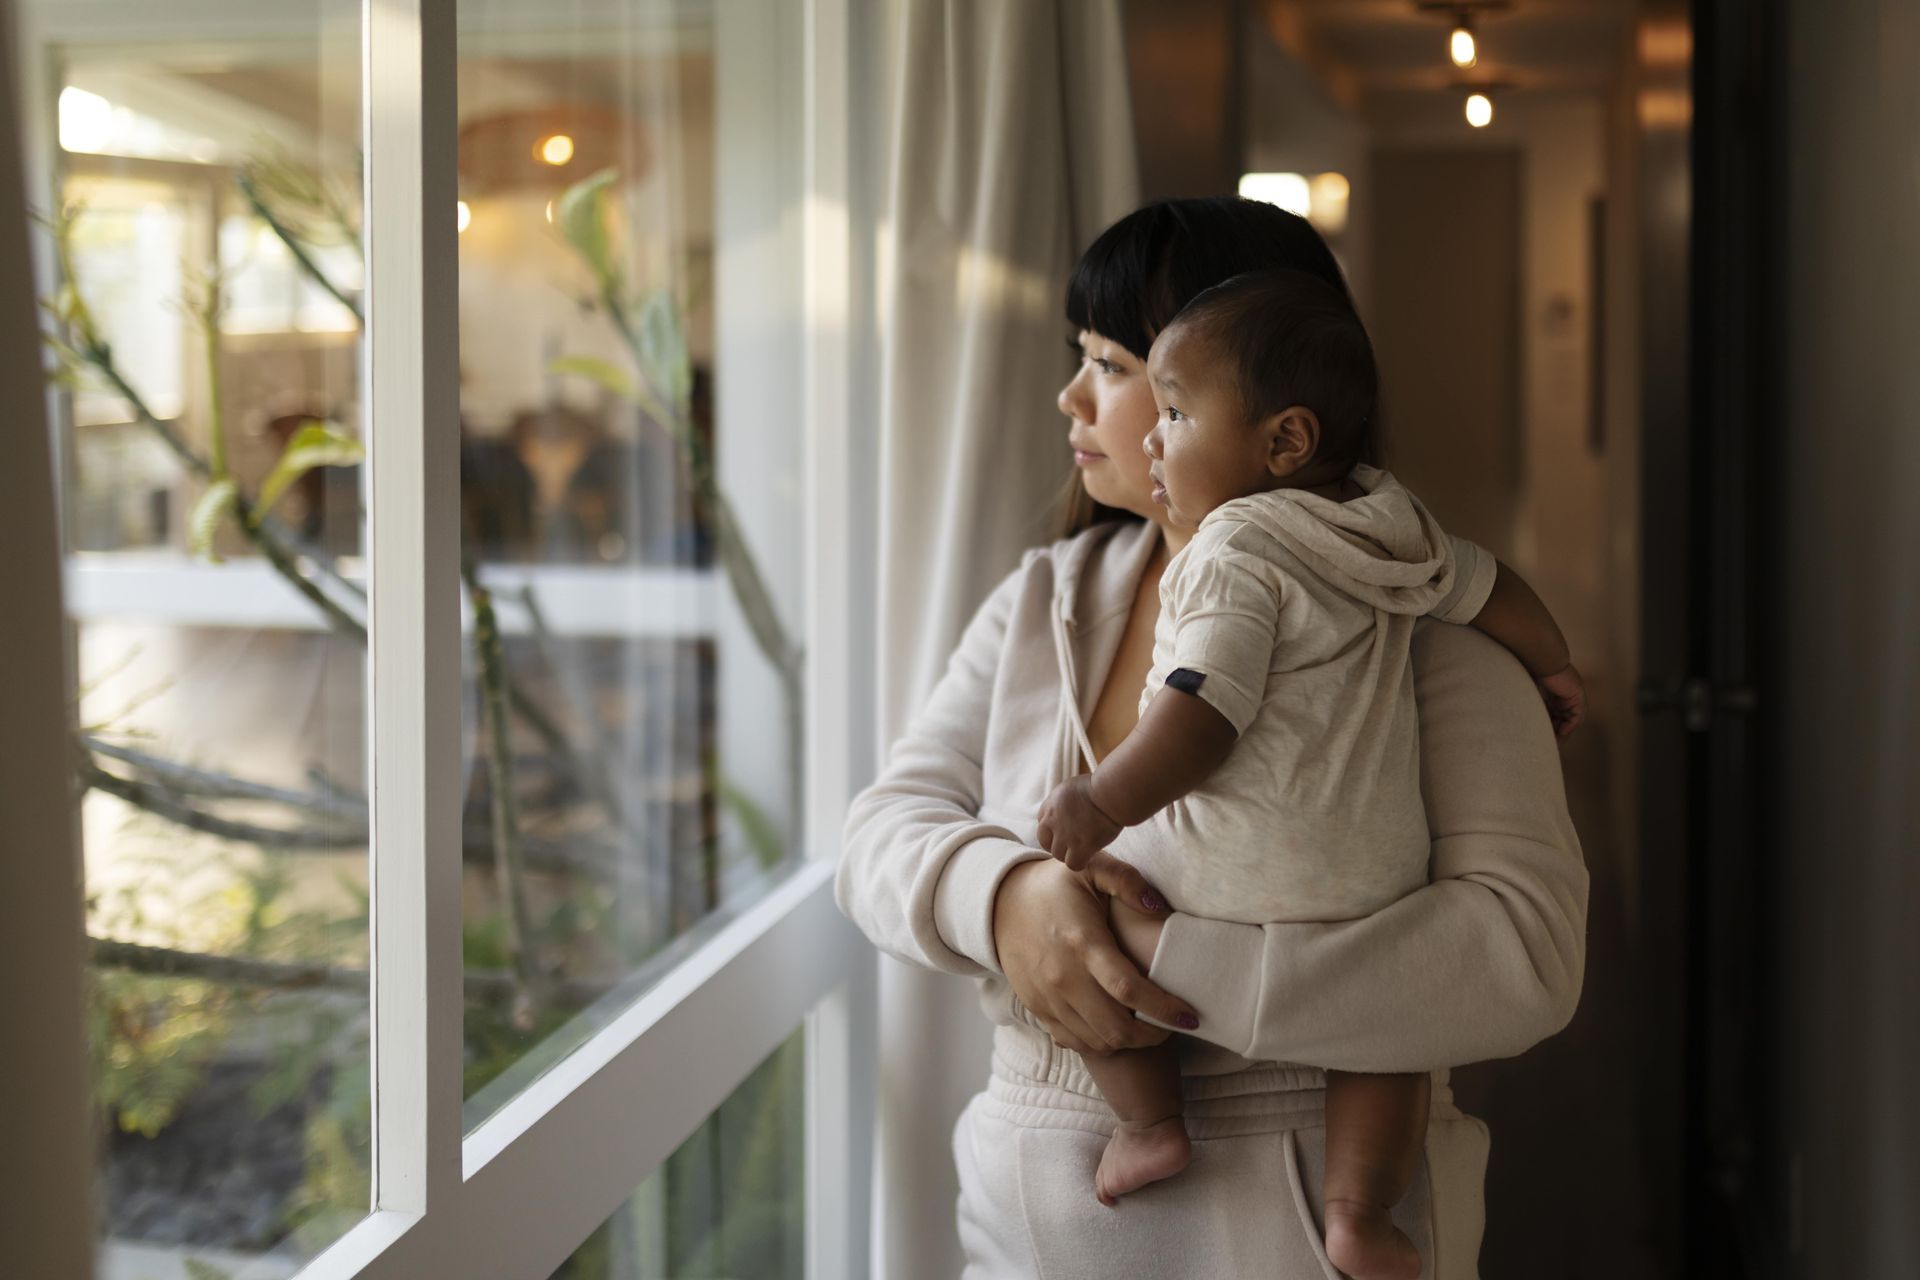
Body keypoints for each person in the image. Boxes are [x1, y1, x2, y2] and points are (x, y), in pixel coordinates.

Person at [838, 197, 1588, 1279]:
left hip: (1300, 1208)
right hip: (1025, 1204)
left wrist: (1158, 960)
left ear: (1269, 410)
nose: (1072, 397)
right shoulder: (1042, 597)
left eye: (1112, 364)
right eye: (1080, 358)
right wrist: (1008, 902)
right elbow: (877, 832)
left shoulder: (1411, 617)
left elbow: (1525, 953)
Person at [1031, 269, 1584, 1280]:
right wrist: (1553, 663)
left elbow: (1200, 714)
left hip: (1222, 875)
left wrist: (1100, 801)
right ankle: (1358, 1215)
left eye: (1175, 413)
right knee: (1390, 1036)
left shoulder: (1233, 546)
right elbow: (1489, 584)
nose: (1153, 439)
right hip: (1373, 875)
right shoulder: (1391, 521)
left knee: (1083, 920)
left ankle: (1150, 1124)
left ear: (1284, 440)